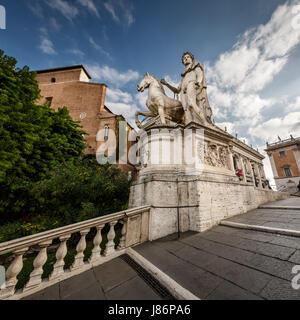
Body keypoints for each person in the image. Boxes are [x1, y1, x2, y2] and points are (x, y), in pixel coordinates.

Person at [160, 51, 211, 125]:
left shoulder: (195, 66)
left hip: (192, 84)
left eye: (188, 57)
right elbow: (177, 90)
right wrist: (167, 84)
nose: (186, 59)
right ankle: (190, 125)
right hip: (183, 92)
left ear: (191, 59)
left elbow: (200, 74)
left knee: (191, 104)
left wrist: (198, 82)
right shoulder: (183, 76)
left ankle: (205, 122)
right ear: (183, 61)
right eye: (184, 58)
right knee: (186, 109)